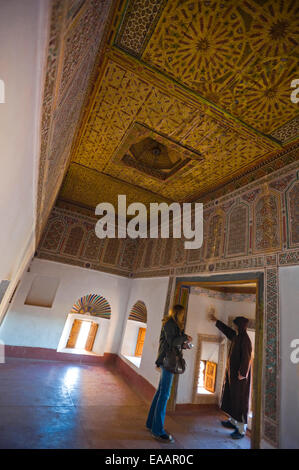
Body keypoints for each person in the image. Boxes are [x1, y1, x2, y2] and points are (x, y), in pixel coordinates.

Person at [146, 304, 192, 443]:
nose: (183, 316)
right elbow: (172, 341)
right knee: (164, 395)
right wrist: (185, 337)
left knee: (161, 392)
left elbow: (172, 342)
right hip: (168, 362)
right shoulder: (170, 324)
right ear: (178, 313)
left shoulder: (173, 325)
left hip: (168, 360)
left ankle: (150, 424)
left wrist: (184, 344)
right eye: (182, 314)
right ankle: (158, 431)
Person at [208, 312, 252, 439]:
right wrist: (216, 321)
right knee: (232, 398)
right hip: (232, 375)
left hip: (240, 378)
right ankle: (233, 422)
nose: (234, 328)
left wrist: (242, 373)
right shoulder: (237, 336)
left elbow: (247, 358)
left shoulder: (245, 340)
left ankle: (241, 430)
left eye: (236, 326)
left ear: (240, 326)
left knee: (240, 401)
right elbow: (227, 331)